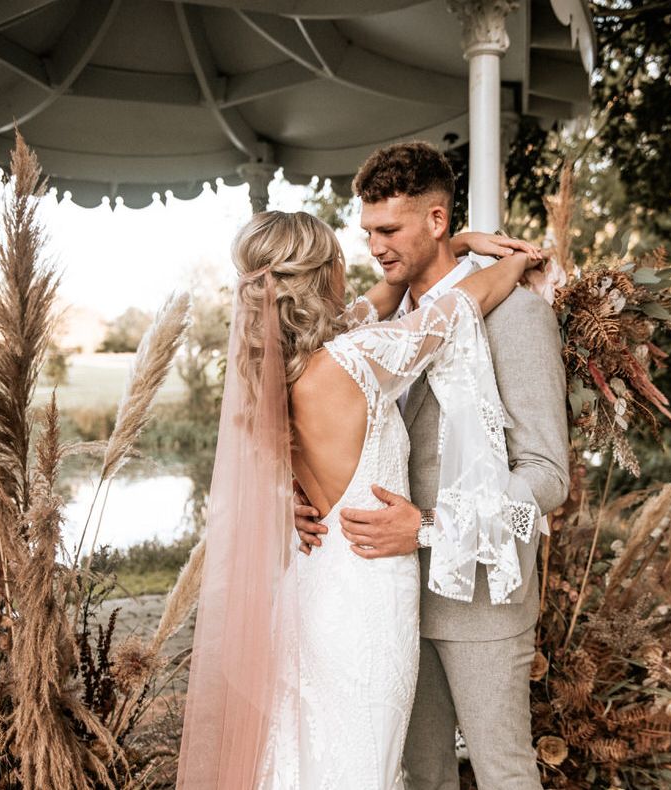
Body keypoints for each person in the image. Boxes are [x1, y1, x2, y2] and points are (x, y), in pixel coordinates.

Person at [176, 198, 548, 788]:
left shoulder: (274, 371)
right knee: (363, 760)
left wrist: (456, 242)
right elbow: (462, 306)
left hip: (318, 579)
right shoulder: (357, 359)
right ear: (324, 275)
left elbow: (372, 303)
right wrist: (507, 259)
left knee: (312, 745)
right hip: (372, 592)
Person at [295, 142, 570, 789]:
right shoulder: (380, 325)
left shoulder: (517, 313)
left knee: (504, 772)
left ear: (438, 220)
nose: (375, 247)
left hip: (479, 599)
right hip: (384, 599)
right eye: (367, 232)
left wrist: (425, 528)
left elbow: (547, 474)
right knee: (421, 775)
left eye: (389, 229)